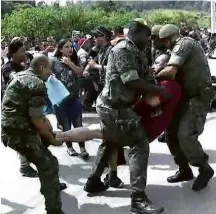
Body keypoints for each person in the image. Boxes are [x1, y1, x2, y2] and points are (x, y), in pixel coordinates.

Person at [85, 18, 167, 214]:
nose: (149, 41)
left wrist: (154, 96)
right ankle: (138, 198)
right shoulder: (123, 50)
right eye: (147, 36)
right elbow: (131, 81)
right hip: (114, 107)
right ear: (136, 33)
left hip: (118, 106)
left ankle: (94, 181)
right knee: (139, 144)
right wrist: (158, 90)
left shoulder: (138, 53)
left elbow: (145, 77)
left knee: (111, 141)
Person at [1, 54, 66, 214]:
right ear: (42, 68)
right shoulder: (37, 84)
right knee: (48, 165)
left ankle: (52, 187)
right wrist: (52, 138)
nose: (51, 73)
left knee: (49, 159)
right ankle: (53, 209)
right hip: (20, 132)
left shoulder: (22, 75)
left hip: (11, 128)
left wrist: (47, 126)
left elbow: (35, 113)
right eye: (50, 69)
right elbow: (37, 119)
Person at [156, 24, 214, 191]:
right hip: (183, 98)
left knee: (185, 135)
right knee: (170, 135)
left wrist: (153, 77)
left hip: (197, 97)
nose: (163, 44)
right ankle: (184, 170)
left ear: (169, 38)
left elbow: (171, 71)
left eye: (164, 40)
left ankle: (204, 167)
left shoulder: (184, 44)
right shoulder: (174, 48)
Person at [1, 39, 38, 178]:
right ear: (14, 53)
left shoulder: (21, 65)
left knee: (27, 135)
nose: (25, 52)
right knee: (21, 137)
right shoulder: (8, 67)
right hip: (14, 110)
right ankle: (24, 166)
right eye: (22, 50)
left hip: (22, 107)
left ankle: (27, 162)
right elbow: (14, 78)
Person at [52, 39, 89, 160]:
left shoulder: (74, 60)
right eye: (66, 47)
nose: (70, 49)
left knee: (78, 125)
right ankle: (70, 147)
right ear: (60, 49)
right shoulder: (54, 62)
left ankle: (82, 148)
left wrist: (70, 64)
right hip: (61, 100)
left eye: (71, 47)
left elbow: (81, 72)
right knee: (66, 126)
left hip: (74, 98)